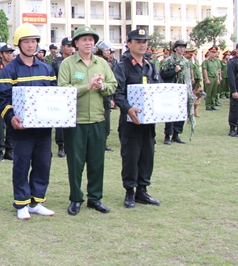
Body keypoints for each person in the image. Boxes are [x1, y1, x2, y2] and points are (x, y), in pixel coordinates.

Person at [0, 24, 57, 220]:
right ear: (18, 44)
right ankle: (21, 203)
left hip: (43, 129)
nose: (31, 45)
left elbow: (54, 96)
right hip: (20, 128)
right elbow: (3, 99)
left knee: (43, 164)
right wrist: (10, 117)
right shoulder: (10, 70)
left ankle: (36, 202)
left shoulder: (47, 69)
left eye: (34, 41)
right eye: (26, 41)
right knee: (21, 164)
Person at [58, 27, 117, 216]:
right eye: (83, 39)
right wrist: (87, 86)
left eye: (91, 40)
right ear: (76, 43)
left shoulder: (102, 63)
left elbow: (113, 85)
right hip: (76, 121)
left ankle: (95, 198)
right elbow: (63, 89)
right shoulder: (68, 64)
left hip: (98, 119)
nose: (88, 43)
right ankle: (76, 198)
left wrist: (102, 86)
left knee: (96, 161)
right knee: (75, 162)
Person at [113, 29, 162, 208]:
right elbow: (117, 93)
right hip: (130, 121)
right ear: (129, 43)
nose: (142, 44)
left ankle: (143, 190)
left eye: (144, 41)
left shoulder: (150, 65)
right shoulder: (122, 66)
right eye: (138, 41)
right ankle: (129, 192)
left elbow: (158, 88)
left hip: (148, 121)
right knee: (131, 156)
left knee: (147, 155)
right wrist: (128, 109)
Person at [160, 40, 192, 145]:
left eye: (183, 47)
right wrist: (174, 71)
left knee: (181, 113)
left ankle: (176, 134)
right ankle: (167, 136)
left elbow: (187, 76)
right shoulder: (169, 60)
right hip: (172, 90)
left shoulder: (186, 61)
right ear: (175, 48)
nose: (182, 49)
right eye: (180, 47)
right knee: (170, 113)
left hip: (183, 91)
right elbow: (162, 74)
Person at [51, 37, 74, 158]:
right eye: (68, 46)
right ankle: (60, 146)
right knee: (60, 123)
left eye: (71, 46)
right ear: (63, 47)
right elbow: (53, 78)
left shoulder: (76, 61)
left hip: (74, 94)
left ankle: (70, 145)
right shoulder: (56, 62)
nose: (70, 48)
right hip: (60, 94)